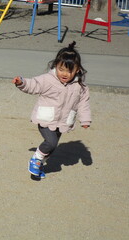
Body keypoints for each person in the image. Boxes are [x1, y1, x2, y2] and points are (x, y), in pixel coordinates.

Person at [12, 41, 91, 179]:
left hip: (63, 122)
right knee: (51, 143)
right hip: (45, 119)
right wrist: (22, 82)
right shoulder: (48, 80)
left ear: (77, 69)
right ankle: (35, 159)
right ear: (56, 66)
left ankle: (40, 164)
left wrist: (85, 119)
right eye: (61, 69)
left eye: (69, 70)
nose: (65, 73)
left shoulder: (80, 87)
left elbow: (83, 103)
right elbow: (34, 85)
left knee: (52, 148)